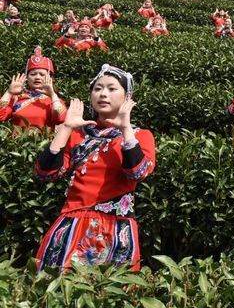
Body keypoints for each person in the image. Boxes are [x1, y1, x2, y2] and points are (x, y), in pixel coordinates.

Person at [33, 64, 156, 273]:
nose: (103, 94)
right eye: (97, 88)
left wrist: (125, 128)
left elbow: (138, 172)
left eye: (111, 88)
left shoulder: (140, 135)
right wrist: (66, 128)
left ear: (127, 97)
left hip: (115, 228)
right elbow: (45, 173)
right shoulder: (79, 134)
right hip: (72, 223)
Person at [0, 47, 67, 130]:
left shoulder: (55, 100)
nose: (37, 77)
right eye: (33, 74)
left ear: (50, 78)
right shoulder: (16, 98)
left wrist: (53, 95)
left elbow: (60, 119)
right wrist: (9, 92)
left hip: (44, 142)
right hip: (17, 142)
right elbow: (1, 116)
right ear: (27, 77)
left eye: (42, 75)